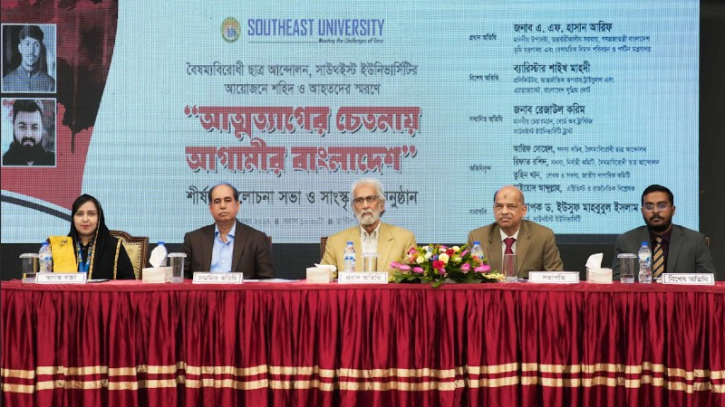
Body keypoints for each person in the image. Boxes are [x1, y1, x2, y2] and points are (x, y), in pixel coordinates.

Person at [612, 184, 715, 277]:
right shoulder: (626, 241)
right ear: (642, 211)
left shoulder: (695, 241)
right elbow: (616, 283)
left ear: (673, 210)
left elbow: (709, 280)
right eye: (649, 207)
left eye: (662, 206)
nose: (655, 211)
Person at [321, 178, 416, 273]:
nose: (365, 206)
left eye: (370, 199)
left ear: (382, 205)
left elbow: (413, 278)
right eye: (359, 200)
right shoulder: (335, 242)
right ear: (353, 208)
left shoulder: (405, 239)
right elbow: (323, 277)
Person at [467, 185, 564, 278]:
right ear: (494, 209)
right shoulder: (477, 237)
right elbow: (468, 278)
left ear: (523, 210)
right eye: (499, 206)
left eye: (511, 206)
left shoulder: (543, 236)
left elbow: (556, 277)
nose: (504, 212)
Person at [182, 182, 275, 279]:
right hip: (204, 289)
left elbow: (267, 280)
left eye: (227, 200)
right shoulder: (193, 239)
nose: (222, 206)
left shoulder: (256, 239)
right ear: (210, 208)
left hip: (241, 289)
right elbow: (181, 277)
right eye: (217, 201)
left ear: (237, 205)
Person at [67, 194, 135, 280]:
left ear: (99, 218)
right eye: (79, 214)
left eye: (91, 214)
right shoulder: (61, 247)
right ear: (73, 218)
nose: (85, 219)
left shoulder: (114, 246)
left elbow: (129, 281)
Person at [2, 25, 56, 92]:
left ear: (41, 49)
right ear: (20, 48)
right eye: (27, 44)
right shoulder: (5, 83)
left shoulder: (51, 84)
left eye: (36, 45)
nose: (31, 51)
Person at [2, 99, 55, 166]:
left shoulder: (54, 160)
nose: (28, 135)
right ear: (14, 127)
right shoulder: (3, 162)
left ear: (41, 128)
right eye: (22, 127)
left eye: (35, 127)